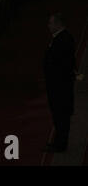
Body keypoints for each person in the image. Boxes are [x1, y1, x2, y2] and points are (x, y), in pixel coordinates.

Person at [43, 13, 76, 152]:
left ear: (58, 24)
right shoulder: (62, 38)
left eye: (50, 23)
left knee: (61, 115)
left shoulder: (63, 40)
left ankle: (60, 144)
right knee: (58, 116)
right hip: (58, 84)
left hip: (60, 86)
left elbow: (60, 63)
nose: (48, 26)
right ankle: (58, 141)